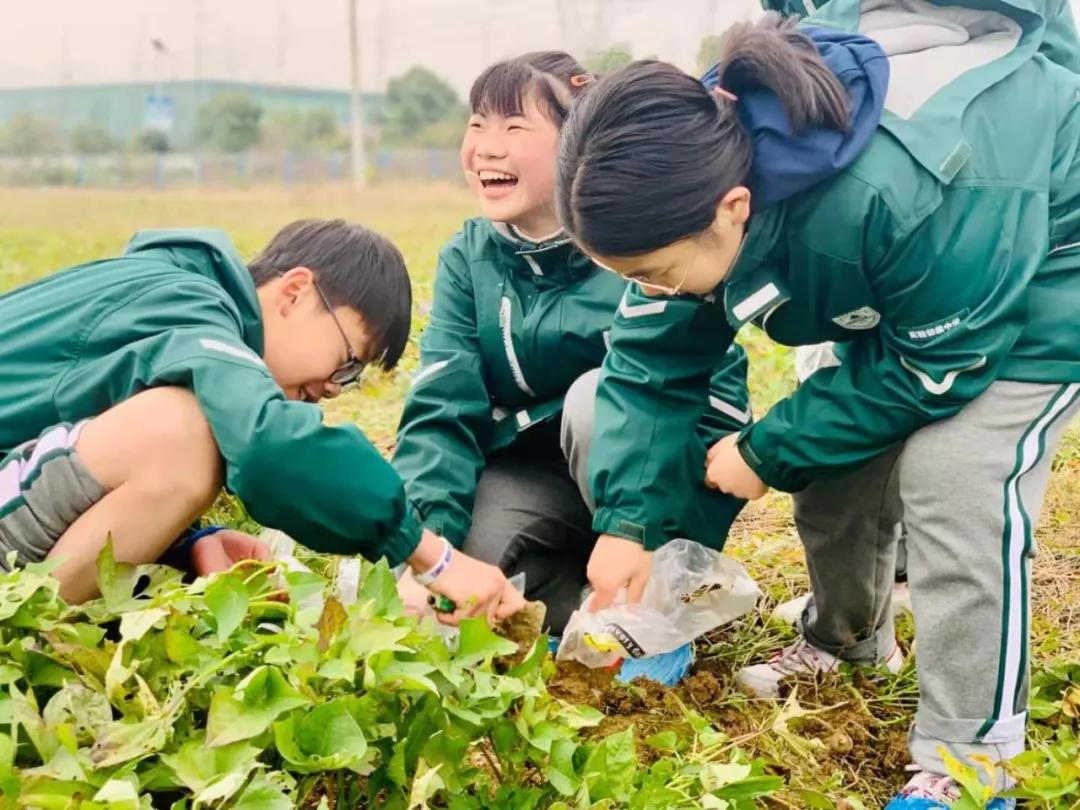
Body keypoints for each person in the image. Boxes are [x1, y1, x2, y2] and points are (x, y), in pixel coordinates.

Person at [555, 3, 1080, 807]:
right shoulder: (684, 175)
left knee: (955, 475)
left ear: (734, 208)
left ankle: (972, 756)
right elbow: (649, 363)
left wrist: (767, 451)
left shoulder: (898, 185)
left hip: (1043, 265)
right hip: (916, 275)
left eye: (655, 270)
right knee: (837, 462)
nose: (647, 290)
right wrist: (627, 524)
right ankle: (848, 640)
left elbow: (940, 365)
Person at [0, 219, 523, 624]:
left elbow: (74, 449)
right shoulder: (191, 305)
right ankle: (22, 640)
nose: (331, 389)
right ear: (295, 291)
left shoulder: (177, 298)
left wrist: (186, 542)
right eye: (347, 360)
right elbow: (269, 447)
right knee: (186, 433)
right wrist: (433, 557)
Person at [392, 52, 750, 633]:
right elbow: (442, 406)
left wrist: (653, 530)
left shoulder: (642, 244)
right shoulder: (469, 257)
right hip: (535, 477)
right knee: (459, 578)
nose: (485, 146)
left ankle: (663, 597)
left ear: (576, 142)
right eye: (477, 122)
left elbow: (718, 410)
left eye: (513, 126)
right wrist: (425, 549)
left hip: (657, 484)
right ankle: (582, 601)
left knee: (594, 399)